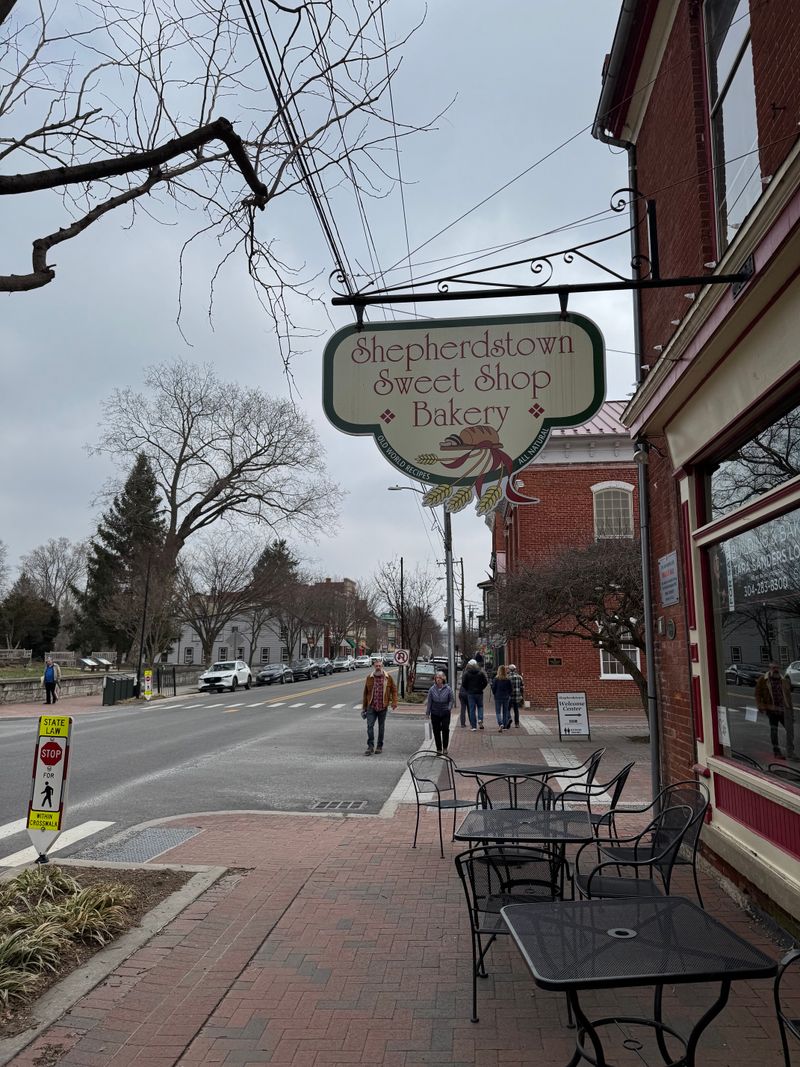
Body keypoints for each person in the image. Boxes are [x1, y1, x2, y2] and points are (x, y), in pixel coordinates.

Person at [755, 662, 796, 760]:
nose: (776, 669)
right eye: (773, 668)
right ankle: (777, 752)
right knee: (774, 731)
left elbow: (788, 697)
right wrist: (762, 706)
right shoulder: (763, 680)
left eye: (777, 667)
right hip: (772, 710)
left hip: (784, 710)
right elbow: (758, 694)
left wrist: (791, 712)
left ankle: (790, 752)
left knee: (790, 731)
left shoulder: (784, 680)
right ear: (770, 669)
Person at [362, 660, 397, 756]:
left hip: (383, 706)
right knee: (370, 726)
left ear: (382, 666)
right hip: (371, 707)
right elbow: (365, 693)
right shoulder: (369, 678)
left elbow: (394, 690)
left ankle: (379, 746)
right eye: (376, 665)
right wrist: (364, 707)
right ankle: (370, 746)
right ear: (374, 666)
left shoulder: (388, 677)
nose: (378, 667)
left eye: (380, 666)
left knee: (381, 727)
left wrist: (394, 702)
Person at [426, 671, 454, 755]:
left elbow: (451, 700)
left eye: (440, 678)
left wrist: (449, 708)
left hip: (445, 711)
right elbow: (429, 702)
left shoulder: (448, 689)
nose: (438, 679)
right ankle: (438, 748)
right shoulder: (432, 689)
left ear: (443, 679)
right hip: (435, 712)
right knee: (436, 730)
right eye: (437, 678)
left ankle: (445, 747)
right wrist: (427, 713)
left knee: (445, 729)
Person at [461, 658, 488, 731]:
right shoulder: (480, 672)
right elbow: (485, 682)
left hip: (470, 693)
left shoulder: (466, 673)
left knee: (472, 709)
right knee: (480, 707)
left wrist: (468, 689)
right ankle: (480, 719)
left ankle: (473, 726)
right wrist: (481, 688)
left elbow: (463, 684)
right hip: (479, 693)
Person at [491, 665, 512, 731]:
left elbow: (493, 688)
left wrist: (494, 693)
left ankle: (500, 724)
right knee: (505, 711)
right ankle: (505, 726)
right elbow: (511, 689)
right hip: (506, 697)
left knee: (498, 712)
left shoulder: (496, 679)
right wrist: (508, 694)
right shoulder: (508, 679)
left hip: (498, 697)